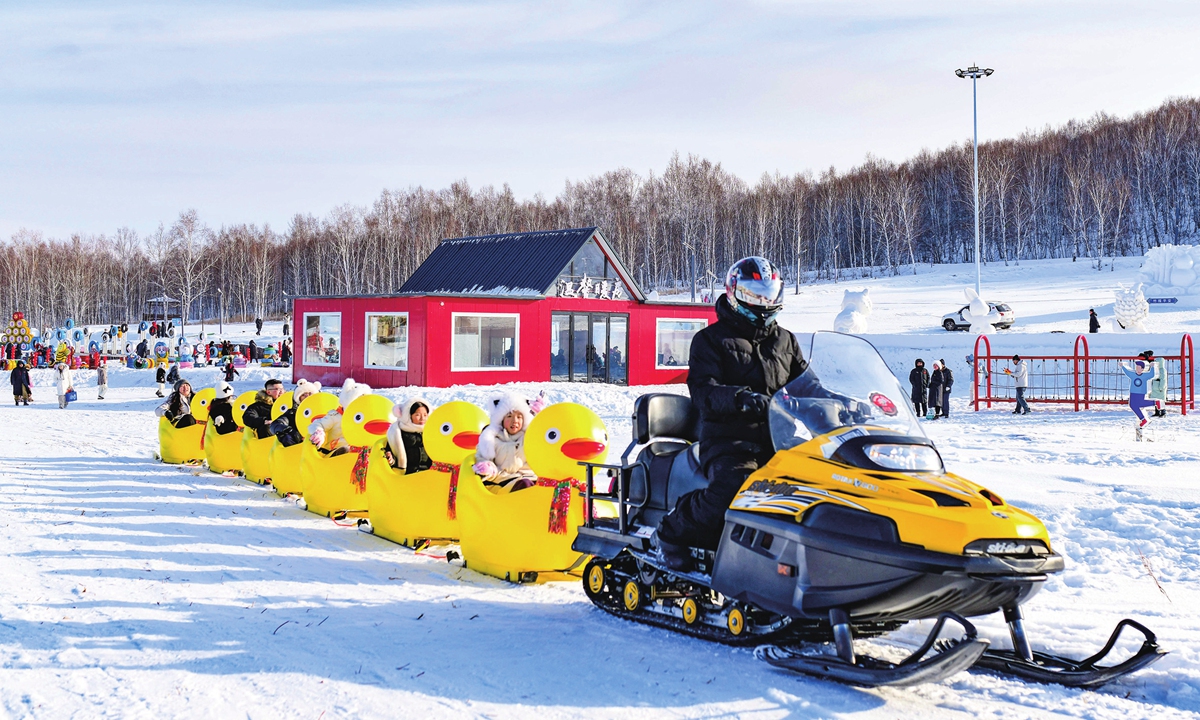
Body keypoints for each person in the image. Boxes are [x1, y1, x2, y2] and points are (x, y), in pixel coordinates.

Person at [656, 256, 806, 569]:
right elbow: (703, 391)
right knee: (735, 489)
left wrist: (843, 404)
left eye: (770, 293)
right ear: (736, 292)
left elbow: (807, 385)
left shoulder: (785, 341)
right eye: (755, 294)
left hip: (779, 441)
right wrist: (741, 398)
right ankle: (672, 531)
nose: (764, 302)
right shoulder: (710, 340)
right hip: (729, 442)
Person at [472, 391, 542, 491]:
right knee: (525, 486)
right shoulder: (492, 439)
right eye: (509, 416)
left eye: (519, 417)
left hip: (530, 479)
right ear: (501, 419)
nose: (515, 421)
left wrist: (539, 417)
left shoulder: (529, 438)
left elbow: (546, 442)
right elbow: (481, 457)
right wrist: (489, 468)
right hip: (503, 483)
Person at [309, 379, 370, 456]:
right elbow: (318, 423)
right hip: (335, 453)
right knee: (345, 450)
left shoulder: (366, 418)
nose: (360, 404)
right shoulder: (336, 416)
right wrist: (319, 432)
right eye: (357, 400)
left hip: (358, 456)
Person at [385, 398, 433, 473]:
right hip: (406, 476)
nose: (422, 418)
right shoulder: (397, 433)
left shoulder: (431, 432)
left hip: (427, 474)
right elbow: (391, 451)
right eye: (417, 415)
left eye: (425, 415)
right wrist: (391, 459)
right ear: (409, 415)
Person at [269, 379, 320, 446]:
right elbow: (275, 424)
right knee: (286, 437)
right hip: (299, 446)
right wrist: (290, 431)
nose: (307, 397)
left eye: (310, 393)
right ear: (299, 398)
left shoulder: (322, 411)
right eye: (304, 395)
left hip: (322, 444)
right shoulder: (292, 413)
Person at [1122, 359, 1157, 428]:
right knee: (1133, 405)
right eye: (1136, 367)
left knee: (1139, 403)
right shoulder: (1133, 375)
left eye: (1139, 368)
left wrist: (1152, 367)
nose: (1137, 369)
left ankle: (1144, 418)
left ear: (1142, 369)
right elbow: (1127, 372)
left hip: (1141, 392)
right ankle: (1153, 404)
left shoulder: (1144, 376)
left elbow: (1151, 374)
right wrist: (1122, 366)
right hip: (1133, 392)